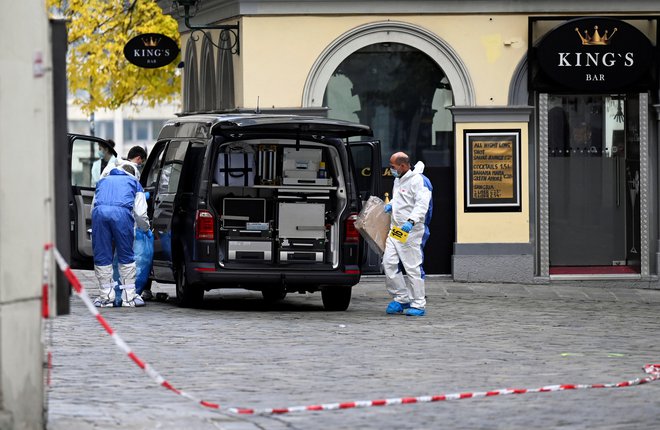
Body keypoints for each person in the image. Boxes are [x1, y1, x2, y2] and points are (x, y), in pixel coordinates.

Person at [91, 163, 150, 307]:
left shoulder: (102, 181)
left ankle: (106, 298)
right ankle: (128, 298)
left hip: (99, 215)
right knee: (126, 255)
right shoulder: (135, 184)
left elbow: (94, 206)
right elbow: (141, 214)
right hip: (122, 216)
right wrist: (145, 228)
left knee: (102, 256)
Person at [383, 152, 432, 316]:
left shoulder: (419, 181)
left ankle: (418, 303)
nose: (391, 169)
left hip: (411, 232)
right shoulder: (399, 180)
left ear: (403, 166)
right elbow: (401, 198)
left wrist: (411, 222)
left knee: (412, 267)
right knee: (389, 263)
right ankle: (401, 298)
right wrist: (392, 206)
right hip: (396, 230)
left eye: (393, 166)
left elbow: (421, 205)